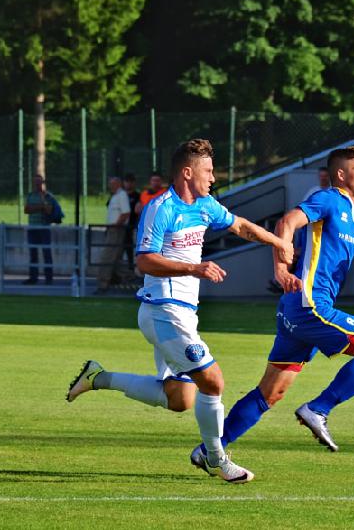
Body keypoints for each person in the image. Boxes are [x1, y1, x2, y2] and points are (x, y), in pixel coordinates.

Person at [66, 139, 294, 484]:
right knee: (213, 381)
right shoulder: (160, 208)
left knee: (180, 399)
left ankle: (99, 377)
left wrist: (277, 242)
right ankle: (215, 458)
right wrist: (194, 268)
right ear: (188, 172)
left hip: (182, 313)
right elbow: (144, 261)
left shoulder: (205, 205)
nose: (213, 178)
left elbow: (240, 226)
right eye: (208, 171)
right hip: (164, 310)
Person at [190, 145, 354, 466]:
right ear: (341, 174)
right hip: (310, 304)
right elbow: (286, 223)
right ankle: (318, 409)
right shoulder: (329, 199)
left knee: (270, 393)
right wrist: (281, 269)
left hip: (297, 310)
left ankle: (209, 450)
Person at [95, 177, 131, 294]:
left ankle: (103, 283)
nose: (110, 186)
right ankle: (124, 278)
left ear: (118, 184)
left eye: (112, 184)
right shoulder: (115, 196)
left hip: (116, 229)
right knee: (116, 257)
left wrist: (116, 225)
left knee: (107, 256)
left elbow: (125, 213)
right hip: (113, 228)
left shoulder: (122, 195)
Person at [22, 174, 60, 285]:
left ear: (43, 183)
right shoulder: (30, 196)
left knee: (46, 253)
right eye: (35, 182)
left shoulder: (48, 196)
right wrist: (41, 206)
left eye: (39, 182)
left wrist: (38, 205)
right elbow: (26, 210)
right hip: (32, 228)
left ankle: (49, 278)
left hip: (44, 228)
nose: (37, 184)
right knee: (33, 253)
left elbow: (48, 210)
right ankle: (33, 278)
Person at [122, 173, 140, 269]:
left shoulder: (138, 196)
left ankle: (132, 268)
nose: (129, 184)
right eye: (127, 181)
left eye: (131, 181)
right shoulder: (120, 195)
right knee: (120, 248)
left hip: (133, 226)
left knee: (131, 247)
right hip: (120, 226)